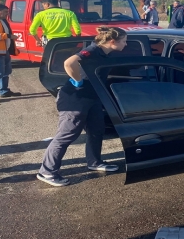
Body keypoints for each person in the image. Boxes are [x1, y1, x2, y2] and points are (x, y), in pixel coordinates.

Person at [37, 27, 128, 186]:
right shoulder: (92, 50)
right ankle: (47, 172)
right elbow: (69, 62)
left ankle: (94, 162)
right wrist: (77, 80)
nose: (126, 45)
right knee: (67, 135)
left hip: (92, 99)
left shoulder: (105, 53)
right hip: (75, 99)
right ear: (112, 41)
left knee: (96, 130)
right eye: (124, 41)